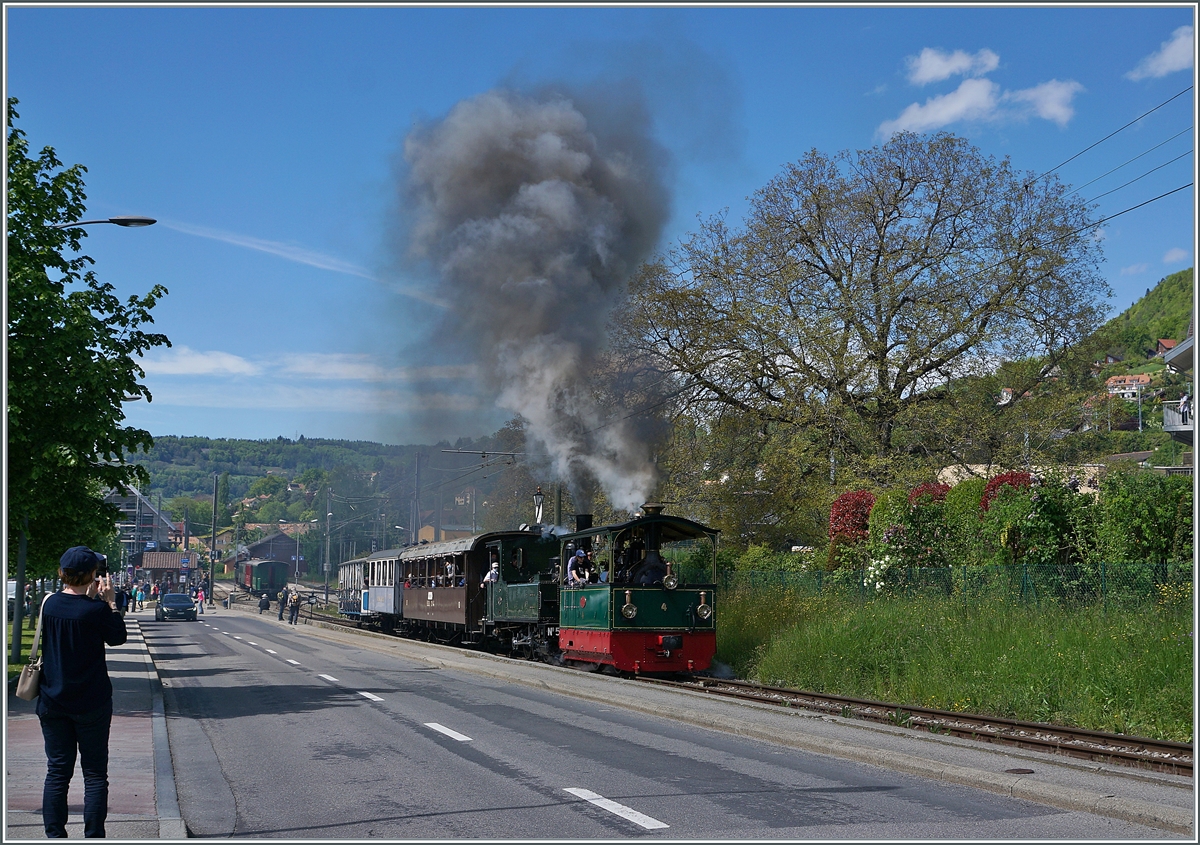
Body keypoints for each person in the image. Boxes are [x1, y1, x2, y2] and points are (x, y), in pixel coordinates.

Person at [37, 546, 128, 839]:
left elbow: (70, 610)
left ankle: (54, 835)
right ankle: (93, 835)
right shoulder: (97, 610)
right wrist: (111, 602)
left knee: (58, 772)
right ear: (92, 575)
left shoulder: (48, 604)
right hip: (92, 702)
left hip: (53, 700)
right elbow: (118, 638)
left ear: (63, 574)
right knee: (95, 774)